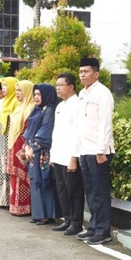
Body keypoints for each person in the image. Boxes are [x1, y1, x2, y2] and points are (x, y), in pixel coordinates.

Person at [75, 58, 115, 245]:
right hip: (85, 150)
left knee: (100, 192)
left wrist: (101, 150)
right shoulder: (82, 94)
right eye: (81, 72)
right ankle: (93, 227)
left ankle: (103, 230)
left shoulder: (103, 93)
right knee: (90, 193)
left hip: (99, 151)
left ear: (96, 74)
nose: (82, 75)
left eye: (86, 71)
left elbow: (105, 124)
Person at [51, 73, 85, 235]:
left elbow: (78, 133)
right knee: (62, 190)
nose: (57, 88)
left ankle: (77, 222)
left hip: (69, 157)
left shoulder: (77, 105)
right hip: (58, 155)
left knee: (74, 191)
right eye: (56, 85)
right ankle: (68, 219)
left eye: (61, 85)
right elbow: (56, 133)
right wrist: (52, 155)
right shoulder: (60, 106)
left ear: (71, 87)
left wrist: (74, 157)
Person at [24, 83, 58, 224]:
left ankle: (47, 214)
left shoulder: (49, 109)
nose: (36, 97)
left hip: (42, 150)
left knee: (44, 180)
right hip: (32, 150)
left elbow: (46, 130)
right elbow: (28, 130)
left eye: (39, 94)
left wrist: (34, 147)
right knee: (34, 180)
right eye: (35, 94)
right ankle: (38, 213)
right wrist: (27, 146)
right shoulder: (36, 109)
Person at [7, 80, 35, 216]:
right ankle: (15, 205)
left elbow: (28, 129)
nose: (17, 93)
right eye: (16, 90)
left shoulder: (30, 107)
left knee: (23, 177)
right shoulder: (19, 107)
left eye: (20, 91)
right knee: (15, 177)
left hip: (23, 147)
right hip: (14, 145)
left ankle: (25, 207)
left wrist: (24, 147)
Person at [0, 77, 19, 209]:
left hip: (9, 142)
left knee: (8, 169)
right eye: (2, 86)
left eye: (5, 86)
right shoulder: (5, 102)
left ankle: (9, 200)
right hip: (2, 140)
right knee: (2, 169)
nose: (3, 88)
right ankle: (3, 199)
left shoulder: (15, 103)